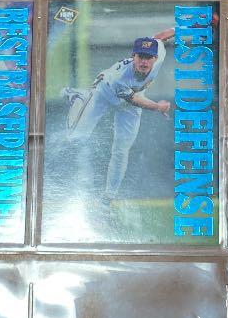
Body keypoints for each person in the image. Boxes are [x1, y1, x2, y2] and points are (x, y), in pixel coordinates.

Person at [60, 28, 175, 210]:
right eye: (140, 56)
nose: (144, 61)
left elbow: (161, 37)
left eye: (148, 57)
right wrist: (157, 107)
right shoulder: (120, 76)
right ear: (133, 56)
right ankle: (79, 96)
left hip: (132, 99)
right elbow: (134, 100)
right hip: (104, 94)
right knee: (76, 138)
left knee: (122, 149)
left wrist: (194, 24)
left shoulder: (159, 55)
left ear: (155, 57)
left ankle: (108, 198)